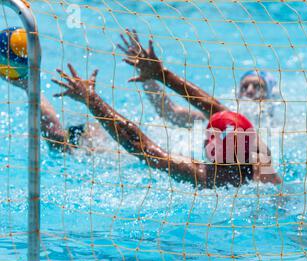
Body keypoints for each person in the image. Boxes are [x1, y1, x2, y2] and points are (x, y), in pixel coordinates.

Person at [52, 29, 282, 188]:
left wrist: (91, 100)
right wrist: (162, 76)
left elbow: (138, 144)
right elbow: (216, 109)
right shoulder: (262, 160)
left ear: (209, 148)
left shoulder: (203, 176)